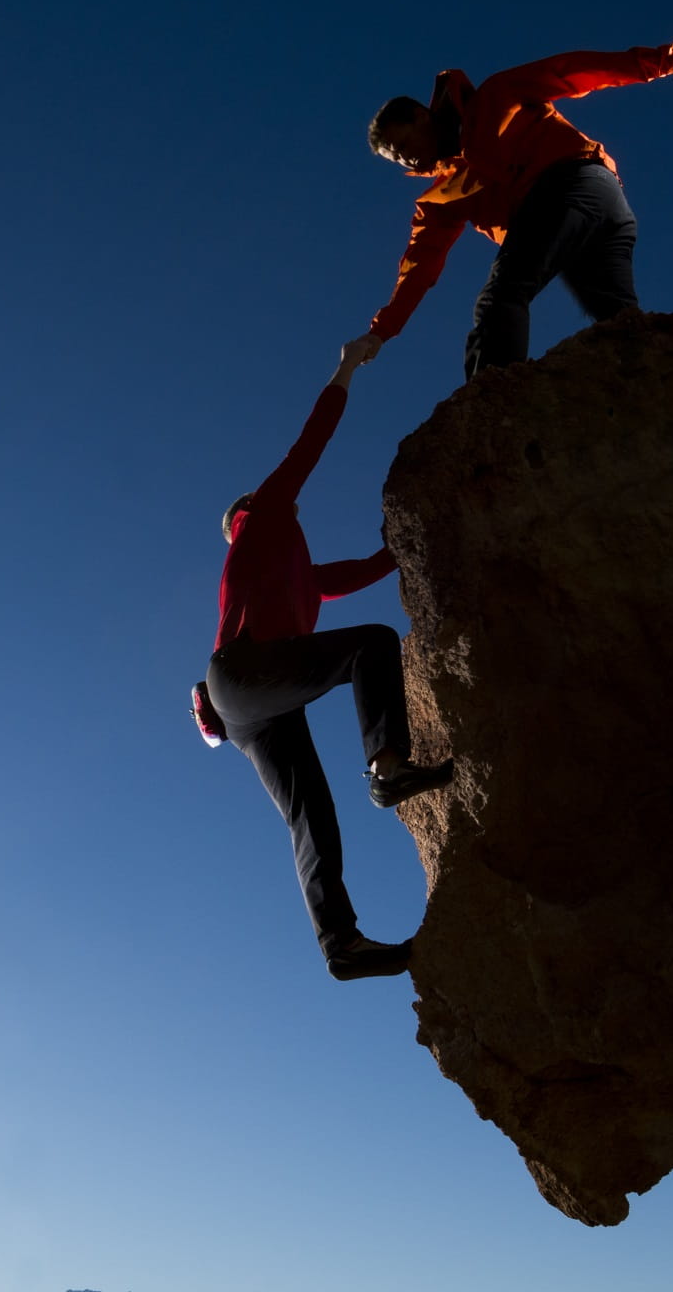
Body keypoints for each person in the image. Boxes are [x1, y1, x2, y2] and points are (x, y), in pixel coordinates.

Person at [193, 338, 453, 981]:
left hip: (252, 705)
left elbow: (369, 567)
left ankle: (341, 945)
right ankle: (388, 767)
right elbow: (310, 443)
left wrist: (425, 524)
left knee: (312, 812)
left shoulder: (304, 575)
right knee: (371, 644)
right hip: (245, 674)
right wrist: (344, 369)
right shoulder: (262, 514)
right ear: (243, 517)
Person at [351, 42, 673, 381]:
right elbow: (420, 265)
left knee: (500, 297)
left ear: (420, 116)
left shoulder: (495, 97)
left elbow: (571, 71)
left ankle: (490, 410)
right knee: (619, 322)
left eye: (401, 145)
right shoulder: (441, 198)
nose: (405, 159)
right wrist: (380, 330)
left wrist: (669, 60)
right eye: (395, 158)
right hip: (582, 217)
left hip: (575, 183)